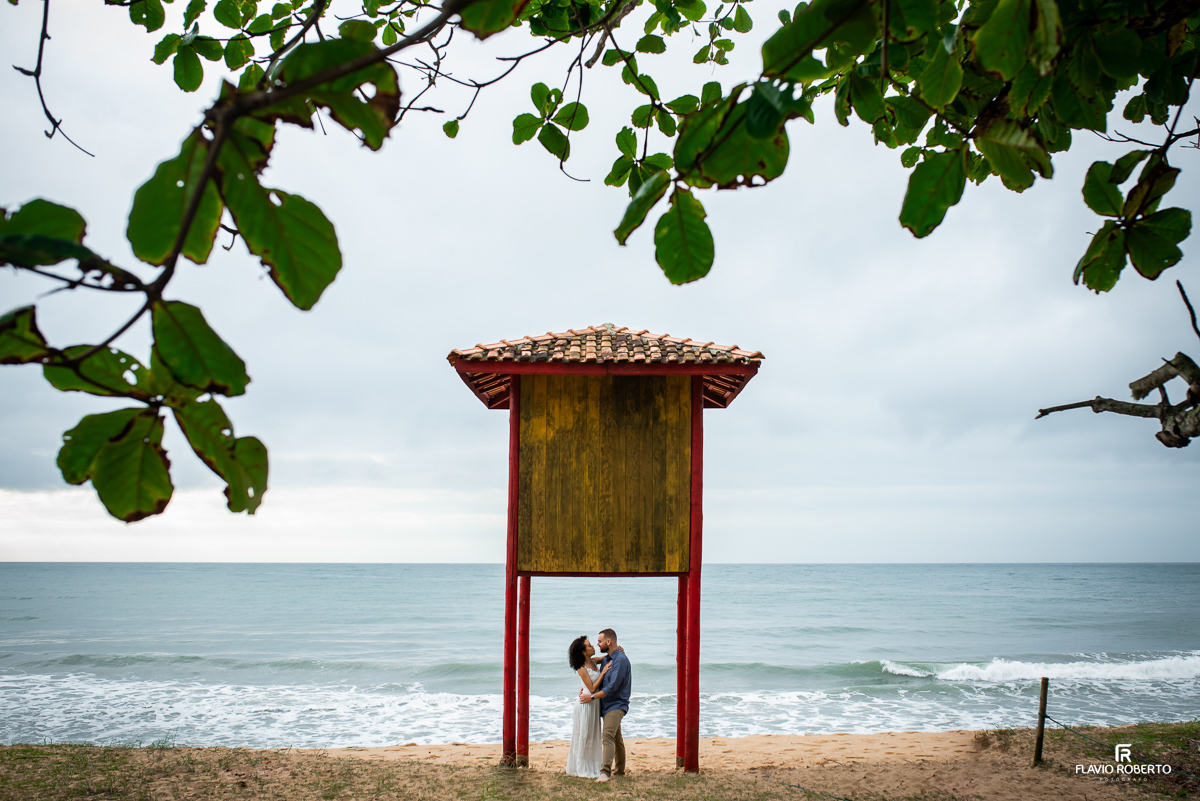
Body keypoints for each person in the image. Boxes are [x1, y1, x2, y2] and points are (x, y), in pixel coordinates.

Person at [579, 628, 631, 782]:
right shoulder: (608, 659)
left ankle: (605, 772)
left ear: (608, 642)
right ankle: (620, 770)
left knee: (607, 736)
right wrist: (584, 687)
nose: (597, 644)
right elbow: (588, 665)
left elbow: (612, 688)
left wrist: (592, 697)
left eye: (600, 641)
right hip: (606, 704)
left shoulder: (620, 660)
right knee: (616, 737)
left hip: (616, 704)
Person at [565, 635, 610, 777]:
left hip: (593, 703)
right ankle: (581, 767)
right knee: (584, 735)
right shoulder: (581, 667)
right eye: (589, 645)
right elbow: (591, 688)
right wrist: (603, 673)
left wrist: (617, 650)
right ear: (583, 651)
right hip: (585, 703)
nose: (593, 647)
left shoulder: (592, 661)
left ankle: (593, 765)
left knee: (593, 734)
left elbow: (606, 658)